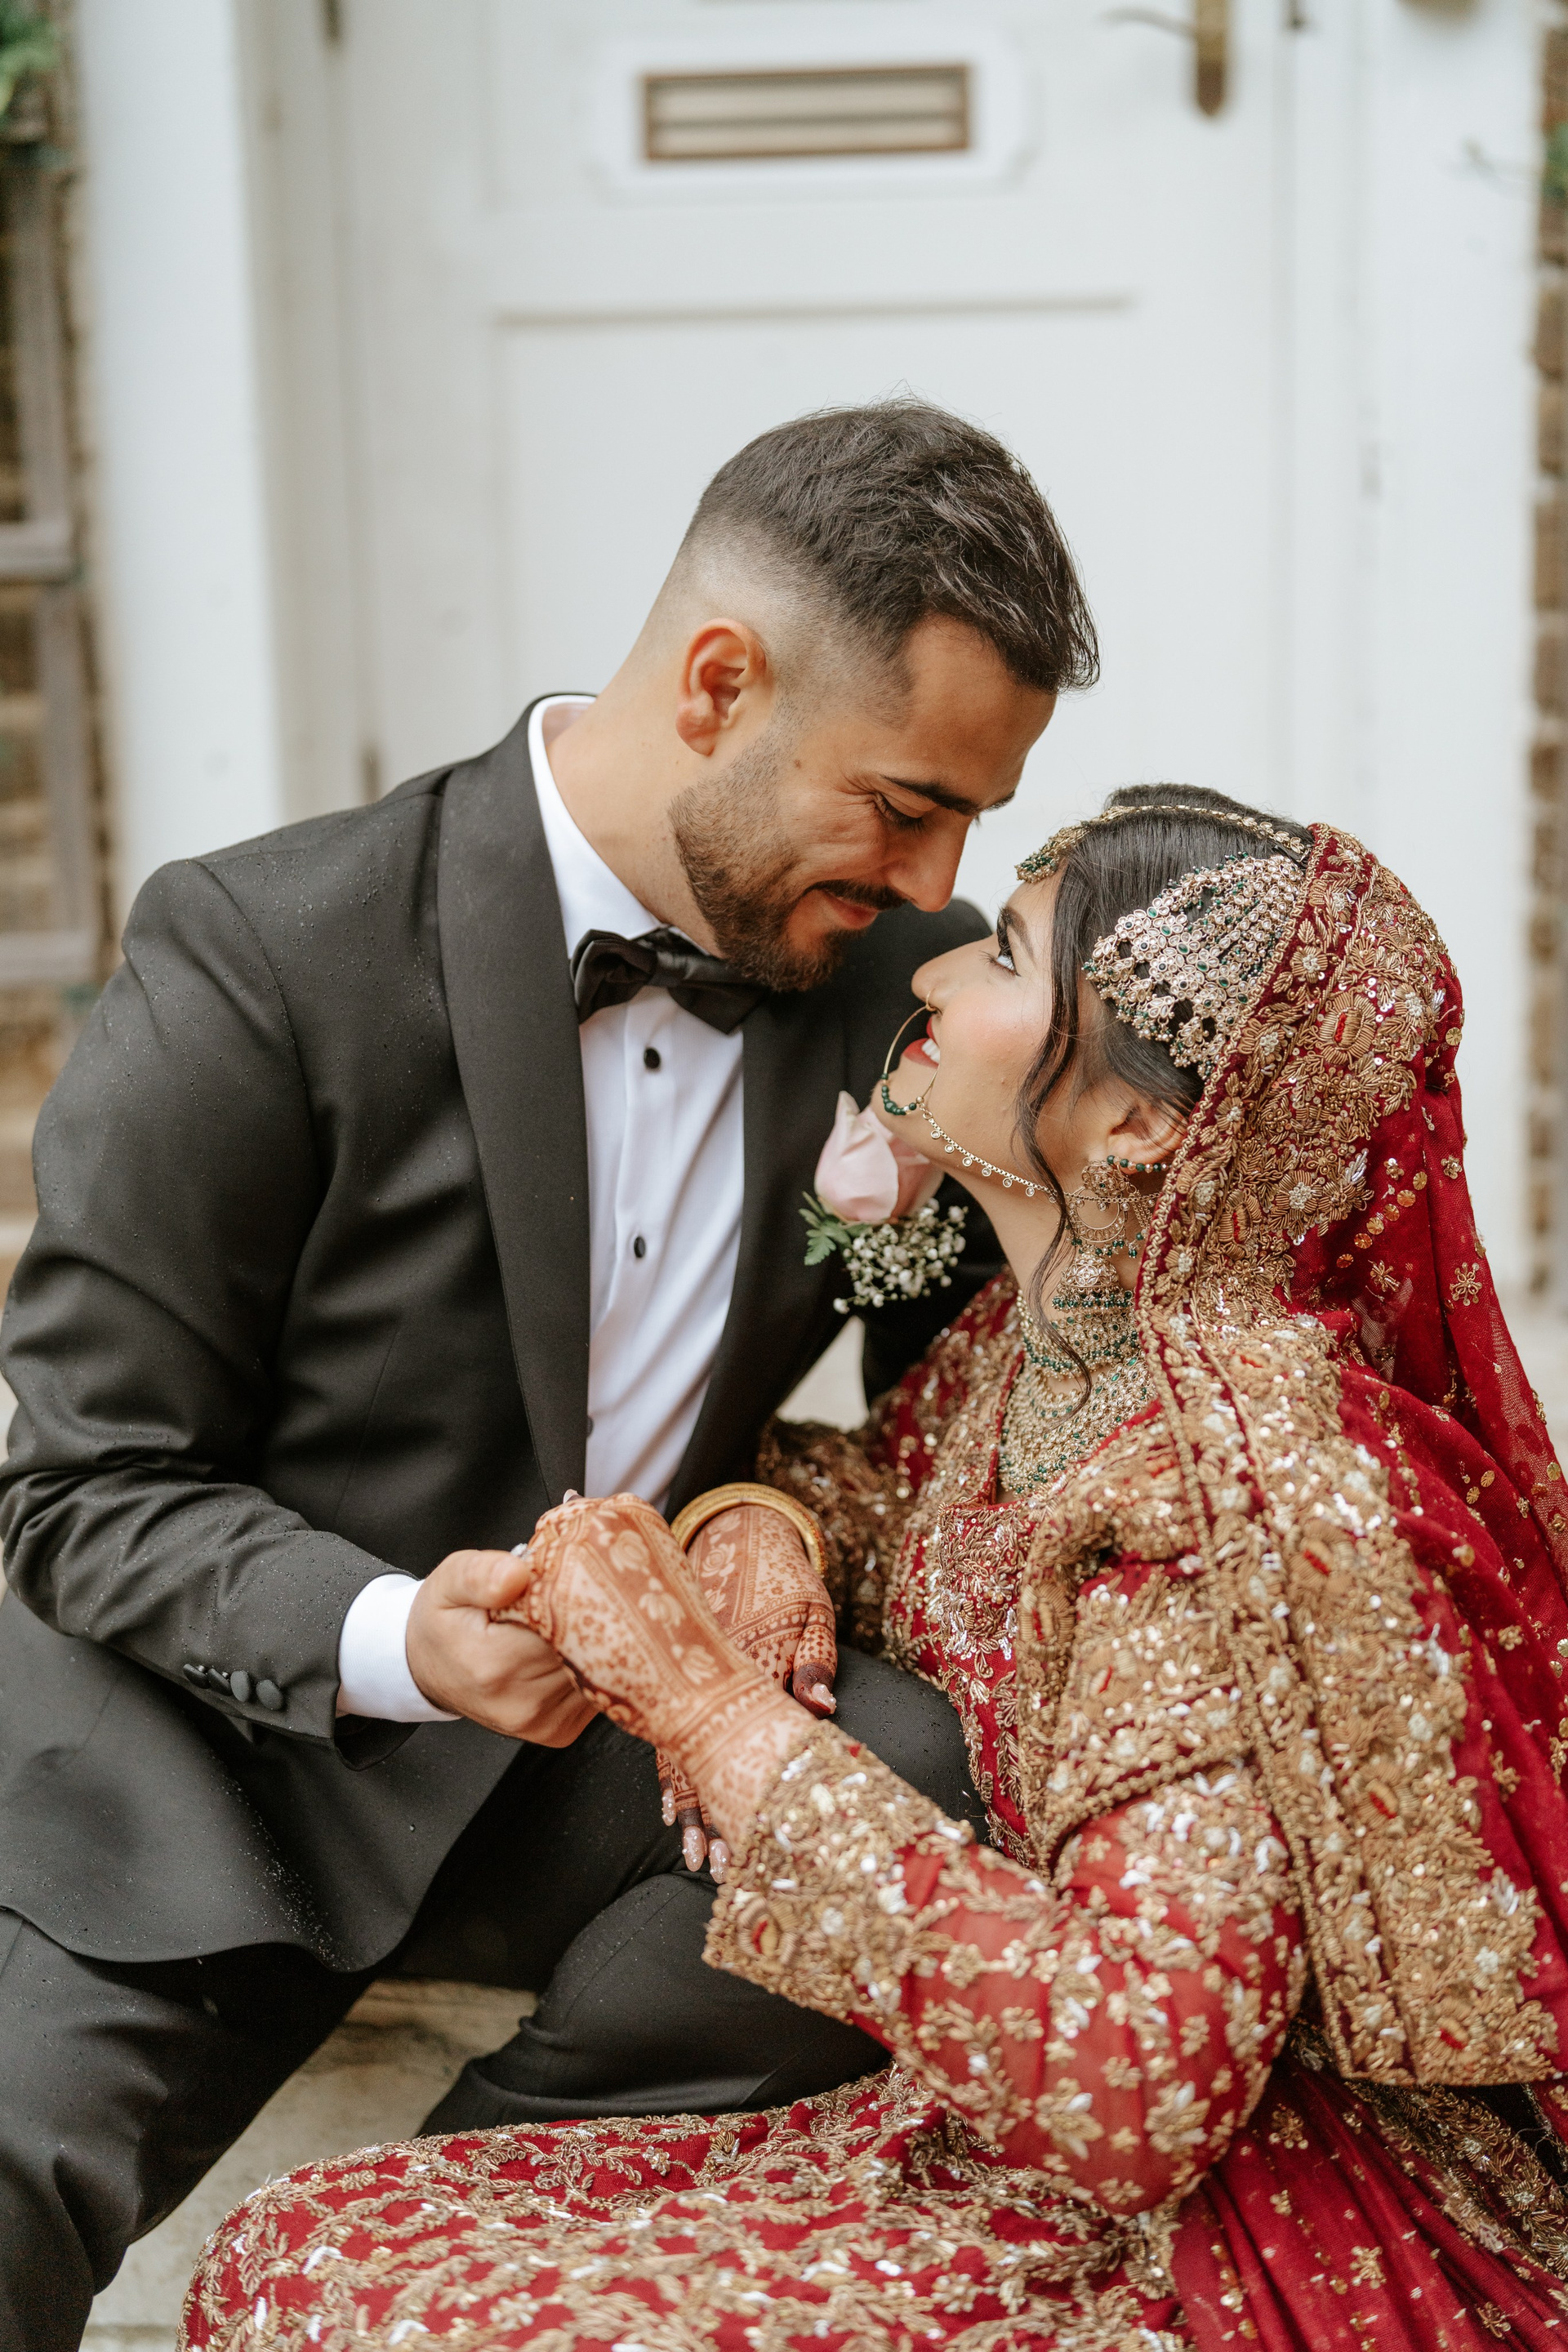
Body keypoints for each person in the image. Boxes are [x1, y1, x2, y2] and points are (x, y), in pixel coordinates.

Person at [188, 788, 1568, 2351]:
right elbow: (877, 1491)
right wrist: (762, 1532)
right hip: (989, 2120)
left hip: (1201, 2222)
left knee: (349, 2293)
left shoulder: (1222, 1496)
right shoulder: (1057, 1344)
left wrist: (716, 1720)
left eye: (1003, 957)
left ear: (1135, 1125)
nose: (928, 974)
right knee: (300, 2241)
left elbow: (1137, 2083)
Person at [0, 399, 1098, 2348]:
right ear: (717, 682)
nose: (939, 874)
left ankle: (427, 2248)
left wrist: (760, 1511)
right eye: (904, 801)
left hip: (604, 1757)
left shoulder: (897, 988)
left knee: (926, 1777)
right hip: (204, 1751)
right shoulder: (261, 951)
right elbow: (83, 1489)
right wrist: (398, 1638)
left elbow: (957, 1426)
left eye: (972, 820)